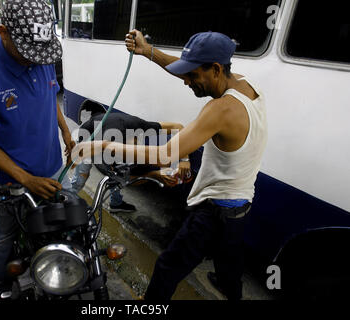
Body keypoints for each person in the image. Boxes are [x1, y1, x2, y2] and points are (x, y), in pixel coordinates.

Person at [73, 29, 268, 300]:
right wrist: (148, 51)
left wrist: (102, 145)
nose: (187, 82)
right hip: (241, 206)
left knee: (167, 267)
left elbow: (165, 155)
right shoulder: (246, 86)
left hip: (213, 214)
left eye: (192, 76)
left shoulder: (221, 110)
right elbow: (189, 72)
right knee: (230, 274)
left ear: (215, 69)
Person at [0, 0, 73, 300]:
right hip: (13, 184)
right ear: (3, 32)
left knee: (61, 230)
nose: (35, 60)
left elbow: (51, 96)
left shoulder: (41, 57)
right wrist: (26, 179)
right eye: (28, 54)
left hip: (53, 170)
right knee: (4, 240)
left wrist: (66, 132)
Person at [71, 100, 192, 212]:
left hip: (109, 127)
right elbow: (125, 180)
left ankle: (115, 204)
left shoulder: (139, 125)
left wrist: (185, 159)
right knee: (83, 176)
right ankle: (68, 199)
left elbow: (178, 127)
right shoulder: (111, 153)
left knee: (116, 173)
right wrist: (154, 175)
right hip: (86, 137)